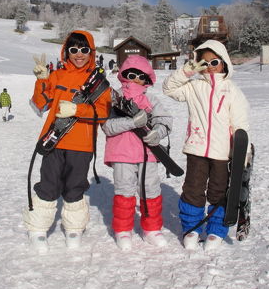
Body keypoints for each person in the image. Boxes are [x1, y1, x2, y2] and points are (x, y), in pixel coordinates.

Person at [24, 30, 111, 253]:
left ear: (91, 52)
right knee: (48, 185)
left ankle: (74, 228)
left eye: (84, 50)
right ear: (66, 52)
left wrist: (78, 109)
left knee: (75, 187)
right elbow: (40, 104)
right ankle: (38, 228)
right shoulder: (57, 76)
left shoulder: (99, 82)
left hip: (81, 144)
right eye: (74, 49)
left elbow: (103, 113)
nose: (79, 54)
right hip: (55, 141)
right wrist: (42, 81)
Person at [163, 40, 250, 252]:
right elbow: (168, 88)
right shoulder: (194, 87)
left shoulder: (232, 91)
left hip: (222, 152)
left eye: (215, 61)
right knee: (193, 190)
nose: (210, 66)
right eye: (205, 62)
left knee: (219, 191)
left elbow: (240, 124)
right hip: (196, 148)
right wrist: (189, 70)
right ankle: (191, 228)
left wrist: (243, 154)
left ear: (224, 63)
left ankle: (216, 230)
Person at [102, 55, 173, 251]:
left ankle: (152, 229)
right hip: (122, 152)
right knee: (124, 191)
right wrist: (131, 123)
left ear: (147, 79)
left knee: (150, 190)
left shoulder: (150, 99)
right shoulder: (114, 97)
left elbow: (165, 120)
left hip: (147, 152)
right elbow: (107, 126)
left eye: (140, 76)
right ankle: (123, 230)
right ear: (123, 75)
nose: (135, 79)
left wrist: (157, 133)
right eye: (131, 74)